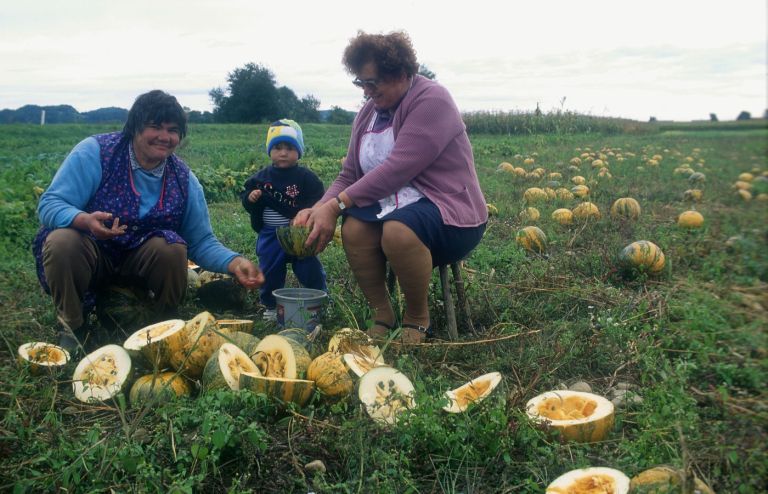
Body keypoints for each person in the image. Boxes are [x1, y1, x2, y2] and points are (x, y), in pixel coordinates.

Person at [32, 89, 264, 353]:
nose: (165, 137)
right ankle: (73, 329)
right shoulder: (96, 153)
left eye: (173, 130)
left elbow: (200, 241)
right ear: (135, 128)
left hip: (139, 269)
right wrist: (84, 220)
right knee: (62, 241)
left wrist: (234, 262)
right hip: (92, 256)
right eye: (155, 127)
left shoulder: (184, 180)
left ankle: (163, 328)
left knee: (173, 248)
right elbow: (50, 204)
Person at [295, 31, 487, 344]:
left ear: (400, 73)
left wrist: (335, 206)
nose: (367, 92)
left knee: (398, 231)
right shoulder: (368, 114)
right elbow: (349, 174)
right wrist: (320, 208)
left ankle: (417, 318)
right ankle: (382, 314)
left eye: (373, 83)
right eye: (362, 84)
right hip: (395, 206)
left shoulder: (432, 101)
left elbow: (396, 171)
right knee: (355, 229)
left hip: (449, 211)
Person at [241, 119, 327, 321]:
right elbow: (245, 198)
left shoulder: (306, 177)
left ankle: (320, 299)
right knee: (269, 268)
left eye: (289, 147)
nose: (283, 153)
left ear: (299, 151)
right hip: (270, 233)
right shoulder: (260, 178)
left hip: (299, 232)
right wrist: (250, 198)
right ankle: (271, 305)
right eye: (277, 147)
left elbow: (318, 199)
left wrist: (307, 213)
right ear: (270, 150)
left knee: (309, 266)